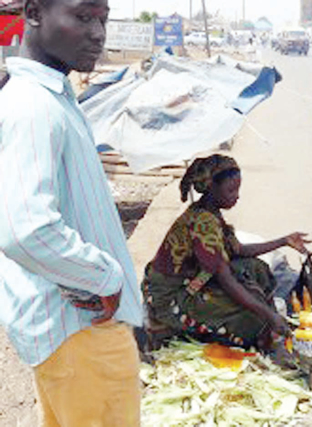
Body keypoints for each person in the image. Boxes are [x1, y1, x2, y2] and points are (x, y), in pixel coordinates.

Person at [0, 0, 143, 425]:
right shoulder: (34, 107)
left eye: (103, 18)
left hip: (73, 331)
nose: (98, 33)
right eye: (83, 16)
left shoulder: (50, 98)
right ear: (34, 14)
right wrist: (106, 277)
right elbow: (25, 229)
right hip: (83, 333)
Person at [141, 155, 310, 363]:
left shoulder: (212, 213)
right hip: (171, 294)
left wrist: (284, 241)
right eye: (231, 190)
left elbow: (238, 250)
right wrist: (267, 314)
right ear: (211, 188)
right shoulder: (202, 222)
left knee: (257, 269)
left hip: (196, 277)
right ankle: (255, 343)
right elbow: (226, 278)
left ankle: (268, 330)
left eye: (238, 189)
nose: (237, 196)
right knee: (248, 317)